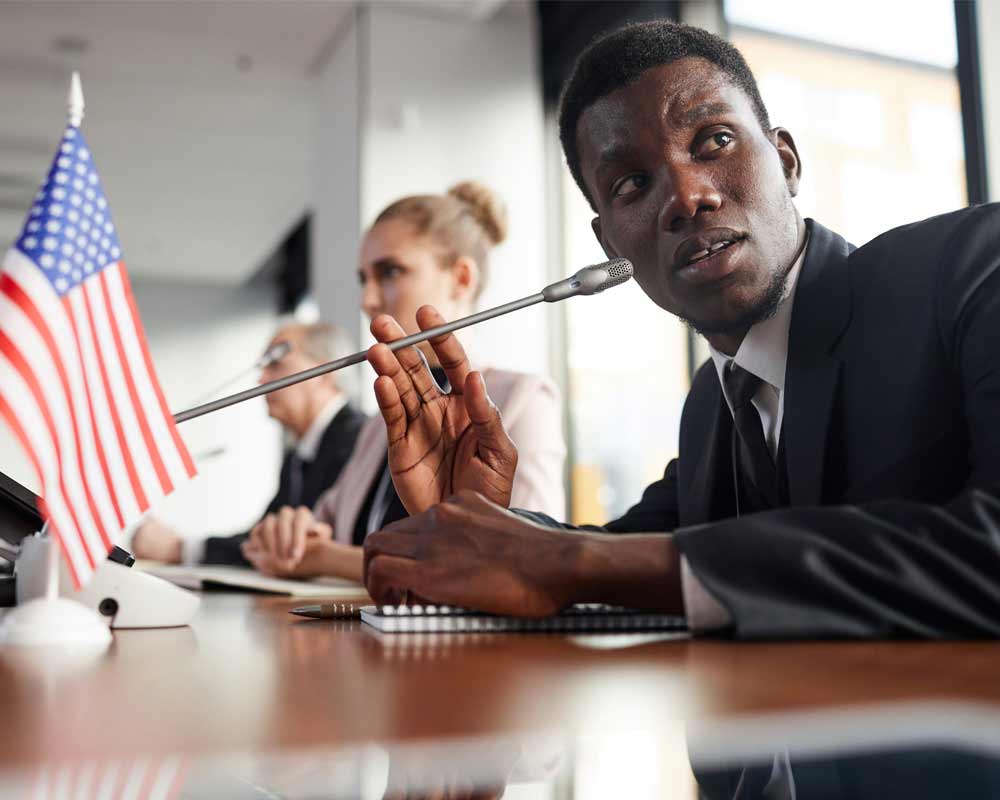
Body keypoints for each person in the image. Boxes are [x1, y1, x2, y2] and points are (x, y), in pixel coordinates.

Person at [361, 21, 1000, 638]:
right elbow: (628, 554)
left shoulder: (970, 267)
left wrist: (562, 562)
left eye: (714, 141)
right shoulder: (712, 405)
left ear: (785, 160)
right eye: (633, 183)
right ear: (609, 242)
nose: (686, 196)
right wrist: (477, 521)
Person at [240, 182, 566, 581]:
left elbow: (533, 562)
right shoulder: (381, 423)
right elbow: (314, 533)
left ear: (461, 278)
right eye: (363, 278)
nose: (367, 300)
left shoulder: (524, 399)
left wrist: (329, 560)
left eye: (390, 271)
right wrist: (287, 532)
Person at [131, 322, 366, 566]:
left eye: (275, 363)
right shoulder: (297, 456)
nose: (261, 379)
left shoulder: (359, 441)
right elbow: (262, 537)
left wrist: (181, 549)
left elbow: (289, 547)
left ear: (325, 374)